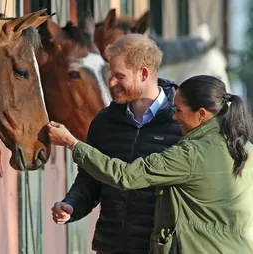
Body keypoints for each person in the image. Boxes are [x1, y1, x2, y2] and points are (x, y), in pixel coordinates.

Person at [47, 75, 253, 254]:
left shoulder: (191, 154)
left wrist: (71, 143)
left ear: (201, 114)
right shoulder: (246, 148)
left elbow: (125, 176)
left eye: (179, 110)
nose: (174, 116)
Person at [51, 33, 182, 253]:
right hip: (111, 246)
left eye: (119, 76)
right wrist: (71, 205)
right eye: (109, 74)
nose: (111, 82)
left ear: (143, 73)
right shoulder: (104, 121)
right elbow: (88, 181)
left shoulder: (180, 123)